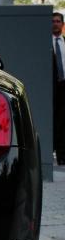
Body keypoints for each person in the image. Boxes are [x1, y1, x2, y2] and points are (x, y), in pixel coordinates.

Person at [52, 12, 65, 164]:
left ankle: (62, 156)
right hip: (51, 87)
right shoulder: (45, 43)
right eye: (53, 21)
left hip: (64, 87)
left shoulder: (64, 42)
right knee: (52, 119)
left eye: (57, 21)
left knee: (63, 122)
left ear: (62, 24)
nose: (55, 23)